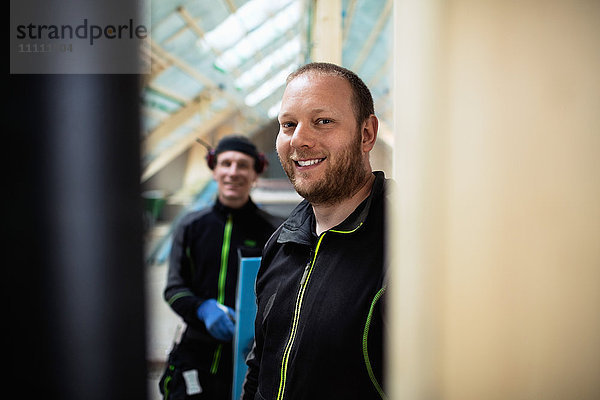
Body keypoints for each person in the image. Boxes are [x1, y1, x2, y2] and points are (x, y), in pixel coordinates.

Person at [241, 62, 390, 400]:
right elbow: (260, 365)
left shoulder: (410, 240)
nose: (300, 140)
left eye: (323, 121)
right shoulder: (281, 242)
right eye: (288, 124)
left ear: (366, 134)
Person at [159, 134, 284, 400]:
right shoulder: (191, 226)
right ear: (214, 170)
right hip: (196, 353)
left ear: (255, 173)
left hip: (251, 359)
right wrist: (202, 309)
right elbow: (174, 288)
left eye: (242, 165)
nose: (233, 172)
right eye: (226, 164)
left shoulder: (275, 231)